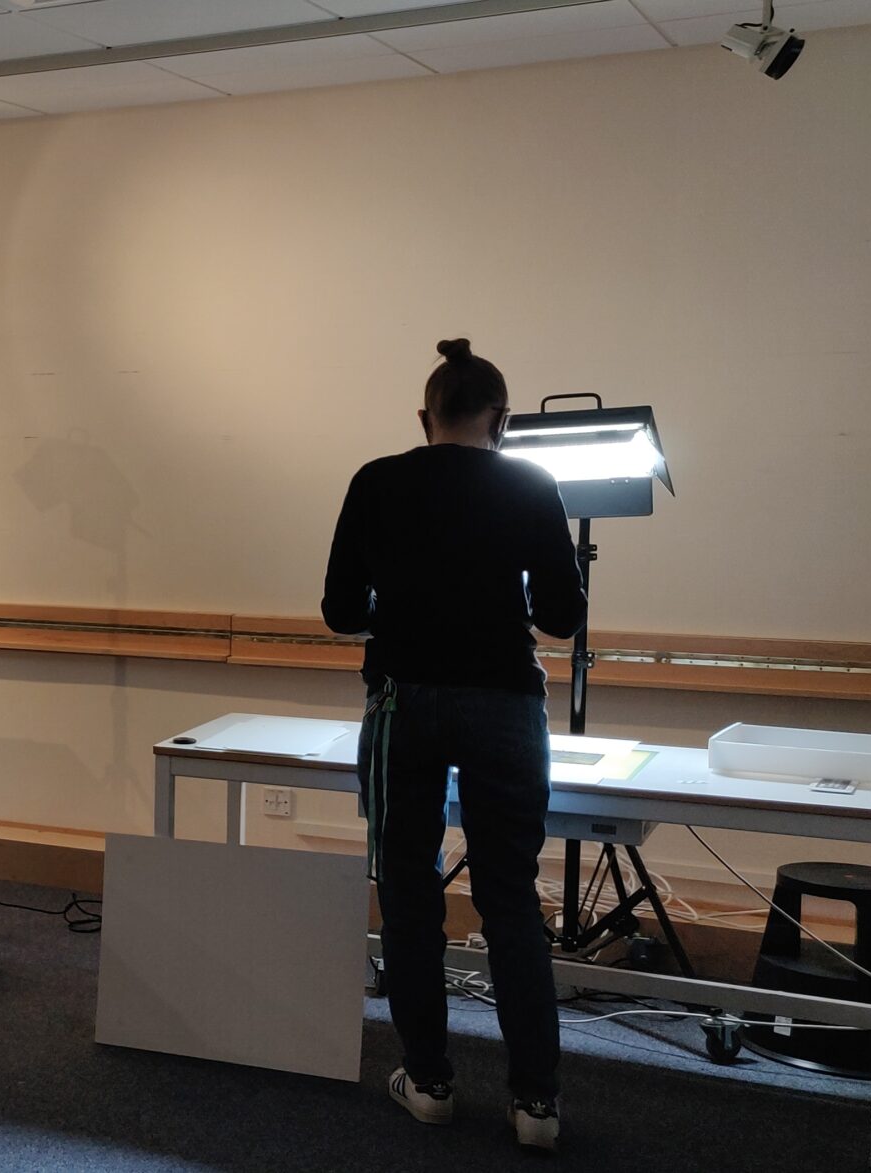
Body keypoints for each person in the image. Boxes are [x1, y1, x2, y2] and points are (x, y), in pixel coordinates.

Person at [321, 338, 585, 1153]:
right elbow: (560, 618)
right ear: (501, 421)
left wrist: (397, 600)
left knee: (408, 887)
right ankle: (536, 1102)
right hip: (507, 702)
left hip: (406, 699)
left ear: (423, 416)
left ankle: (429, 1081)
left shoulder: (376, 480)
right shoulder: (532, 485)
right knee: (511, 897)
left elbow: (340, 608)